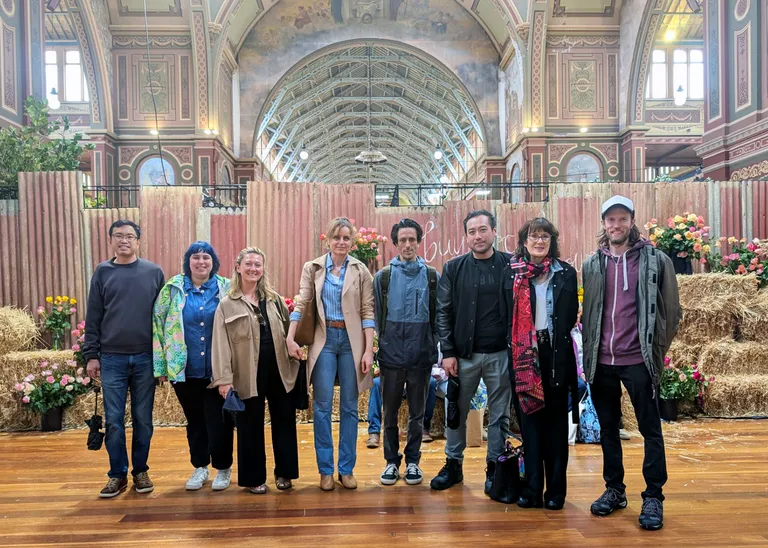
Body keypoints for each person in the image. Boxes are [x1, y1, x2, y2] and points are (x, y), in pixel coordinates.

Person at [582, 195, 681, 531]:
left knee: (650, 429)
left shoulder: (656, 261)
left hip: (638, 360)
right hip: (602, 362)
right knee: (608, 429)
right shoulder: (592, 264)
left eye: (622, 219)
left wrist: (655, 350)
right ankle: (615, 489)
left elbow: (672, 312)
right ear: (604, 223)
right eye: (611, 220)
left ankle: (653, 495)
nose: (616, 225)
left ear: (632, 221)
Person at [286, 217, 375, 491]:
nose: (341, 242)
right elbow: (302, 303)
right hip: (323, 340)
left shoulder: (361, 270)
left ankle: (346, 469)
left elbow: (367, 311)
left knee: (350, 406)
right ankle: (325, 470)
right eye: (336, 237)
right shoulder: (312, 268)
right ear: (328, 240)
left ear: (352, 242)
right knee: (322, 406)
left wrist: (368, 350)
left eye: (346, 238)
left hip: (351, 342)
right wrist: (290, 336)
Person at [430, 209, 513, 493]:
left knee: (500, 415)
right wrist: (448, 352)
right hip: (463, 356)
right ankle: (453, 464)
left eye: (483, 230)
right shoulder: (453, 268)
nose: (478, 236)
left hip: (501, 354)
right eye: (472, 231)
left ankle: (495, 468)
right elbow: (443, 312)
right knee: (456, 411)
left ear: (494, 232)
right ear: (466, 236)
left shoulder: (511, 265)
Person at [500, 218, 579, 510]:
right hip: (524, 358)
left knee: (556, 427)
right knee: (530, 426)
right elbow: (504, 315)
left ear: (551, 241)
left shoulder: (566, 273)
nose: (539, 241)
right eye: (534, 236)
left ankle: (556, 492)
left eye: (545, 236)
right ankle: (532, 489)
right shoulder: (511, 274)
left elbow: (570, 316)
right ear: (524, 241)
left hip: (556, 356)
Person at [82, 220, 165, 498]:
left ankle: (140, 471)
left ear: (138, 241)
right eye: (118, 236)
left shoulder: (154, 272)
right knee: (114, 421)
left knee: (143, 419)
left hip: (145, 358)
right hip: (112, 359)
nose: (124, 240)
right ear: (111, 240)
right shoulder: (102, 272)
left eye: (130, 236)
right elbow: (93, 316)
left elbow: (163, 319)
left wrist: (163, 359)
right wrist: (91, 355)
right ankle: (116, 474)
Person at [210, 247, 300, 494]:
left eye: (257, 264)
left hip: (279, 368)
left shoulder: (274, 300)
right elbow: (220, 345)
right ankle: (254, 478)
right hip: (246, 372)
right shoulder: (226, 305)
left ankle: (285, 473)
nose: (253, 268)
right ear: (238, 268)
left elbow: (288, 331)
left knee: (284, 421)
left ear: (263, 269)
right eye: (248, 264)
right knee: (249, 425)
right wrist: (224, 379)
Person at [152, 241, 234, 491]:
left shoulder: (227, 287)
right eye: (196, 257)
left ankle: (223, 468)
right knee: (195, 421)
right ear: (188, 262)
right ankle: (200, 467)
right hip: (185, 370)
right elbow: (158, 324)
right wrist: (162, 366)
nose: (201, 262)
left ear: (213, 262)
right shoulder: (172, 289)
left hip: (218, 370)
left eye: (206, 257)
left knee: (219, 421)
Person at [373, 218, 440, 485]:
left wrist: (431, 345)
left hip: (420, 356)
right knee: (389, 413)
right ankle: (391, 462)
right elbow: (377, 317)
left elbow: (438, 316)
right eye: (403, 240)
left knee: (416, 414)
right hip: (391, 357)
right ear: (395, 243)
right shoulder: (384, 277)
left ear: (419, 241)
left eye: (412, 239)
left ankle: (413, 462)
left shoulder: (432, 276)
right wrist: (384, 344)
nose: (408, 244)